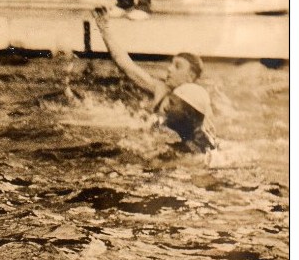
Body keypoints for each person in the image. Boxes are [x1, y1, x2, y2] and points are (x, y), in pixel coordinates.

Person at [93, 9, 217, 153]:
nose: (169, 69)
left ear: (191, 75)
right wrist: (105, 29)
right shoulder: (160, 88)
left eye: (177, 66)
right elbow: (127, 67)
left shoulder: (200, 107)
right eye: (171, 64)